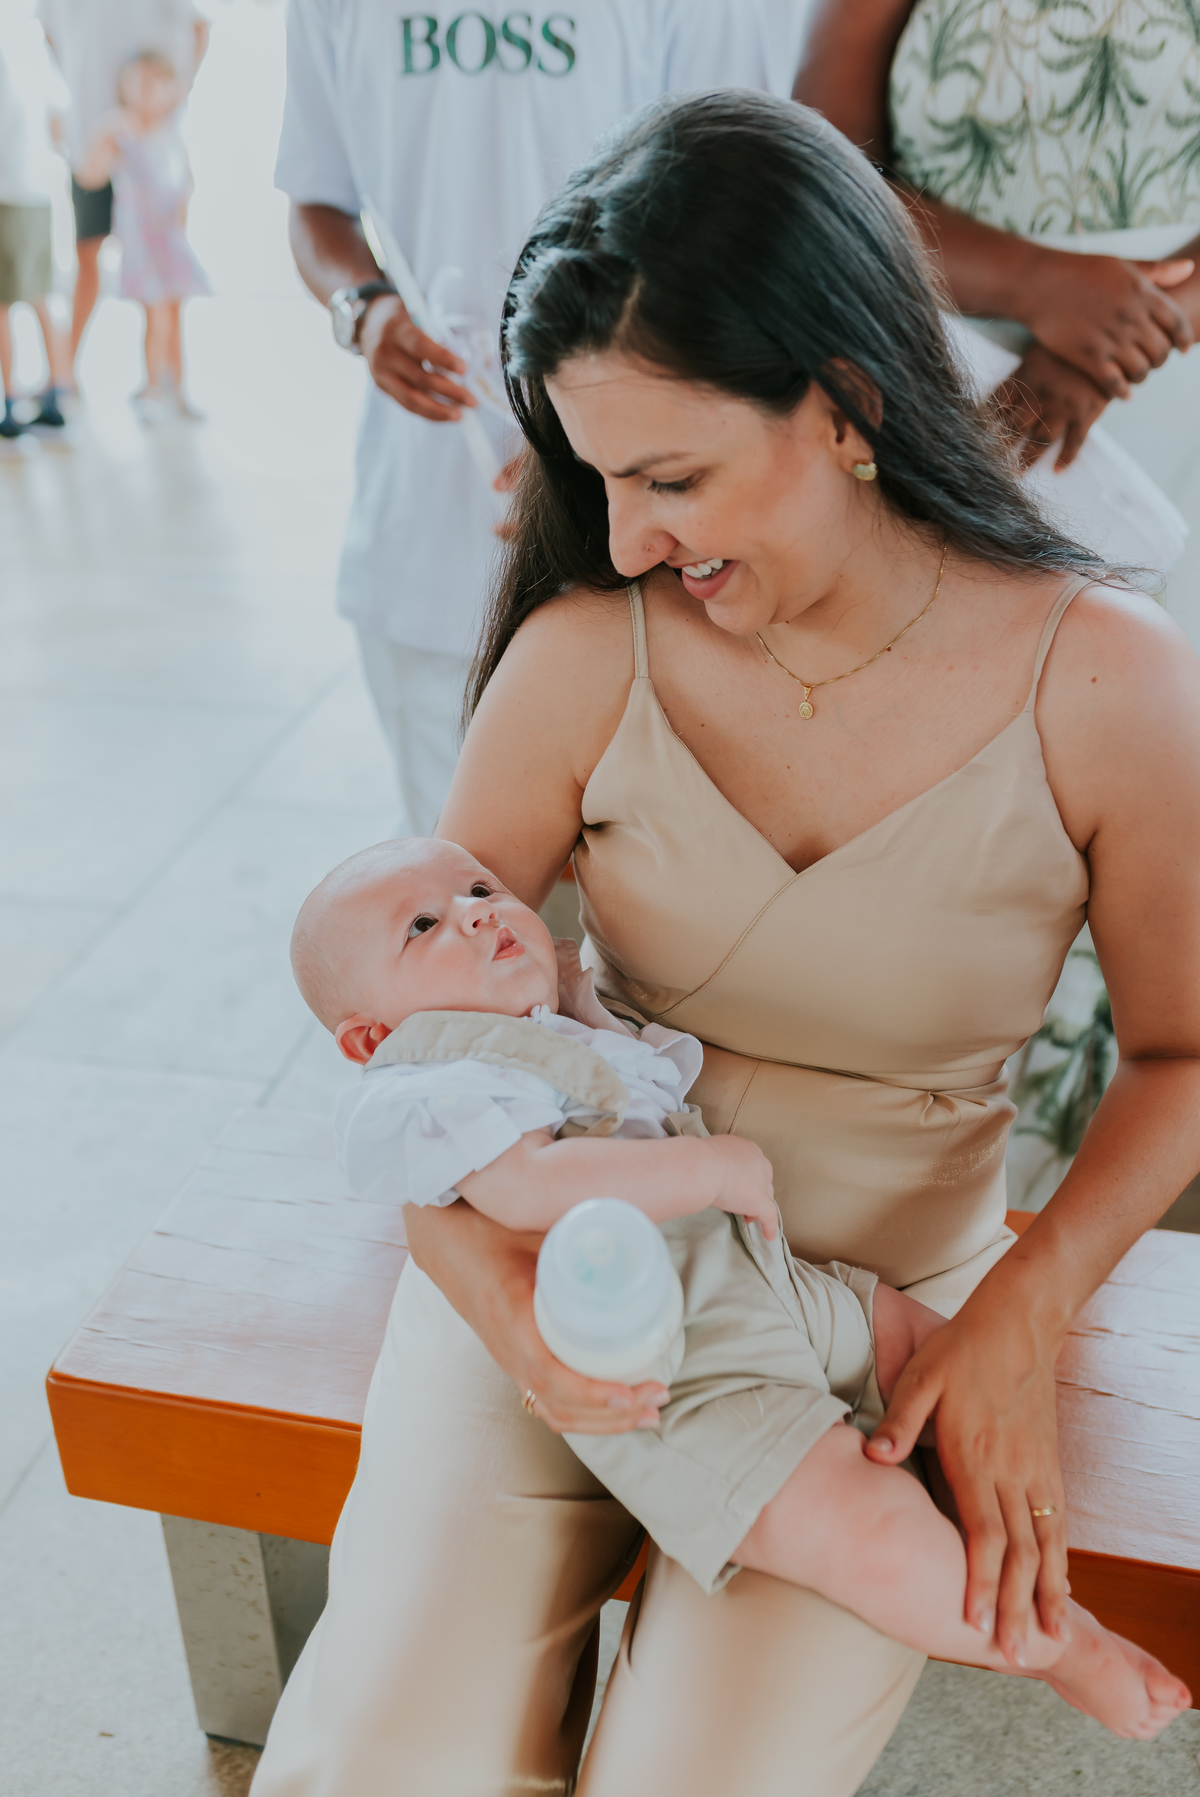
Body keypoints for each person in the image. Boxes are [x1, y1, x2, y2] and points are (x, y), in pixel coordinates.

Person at [251, 93, 1200, 1797]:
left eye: (668, 477)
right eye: (593, 478)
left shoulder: (1108, 679)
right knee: (390, 1760)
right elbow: (416, 1065)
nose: (619, 542)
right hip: (564, 1273)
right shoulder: (576, 654)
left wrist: (1018, 1317)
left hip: (878, 1316)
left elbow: (1184, 1052)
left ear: (847, 406)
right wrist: (508, 1312)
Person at [287, 834, 1189, 1742]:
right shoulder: (433, 1081)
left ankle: (991, 1531)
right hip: (673, 1357)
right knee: (853, 1526)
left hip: (764, 1279)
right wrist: (707, 1168)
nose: (479, 909)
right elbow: (526, 1189)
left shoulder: (547, 1022)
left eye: (479, 886)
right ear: (371, 1036)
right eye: (424, 925)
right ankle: (1055, 1644)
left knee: (927, 1354)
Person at [274, 0, 805, 836]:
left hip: (648, 554)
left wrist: (588, 443)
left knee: (665, 928)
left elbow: (735, 219)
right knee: (477, 910)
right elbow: (317, 200)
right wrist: (364, 311)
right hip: (428, 546)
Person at [794, 2, 1200, 575]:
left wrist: (1129, 333)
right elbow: (821, 177)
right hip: (952, 358)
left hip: (1178, 365)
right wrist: (1039, 286)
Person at [36, 0, 209, 379]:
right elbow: (47, 32)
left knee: (167, 274)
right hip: (93, 135)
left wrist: (174, 93)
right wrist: (69, 93)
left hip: (153, 142)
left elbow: (200, 26)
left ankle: (167, 381)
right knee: (87, 258)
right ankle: (61, 377)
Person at [76, 50, 209, 419]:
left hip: (172, 242)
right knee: (157, 317)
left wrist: (182, 214)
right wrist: (102, 136)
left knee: (175, 314)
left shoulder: (170, 133)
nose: (149, 92)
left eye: (157, 83)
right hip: (143, 245)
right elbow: (90, 175)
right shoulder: (120, 131)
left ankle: (177, 388)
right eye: (141, 83)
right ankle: (151, 389)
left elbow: (186, 181)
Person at [0, 25, 68, 440]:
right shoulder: (28, 41)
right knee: (41, 295)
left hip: (7, 193)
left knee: (1, 304)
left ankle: (8, 403)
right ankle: (57, 395)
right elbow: (58, 122)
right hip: (37, 190)